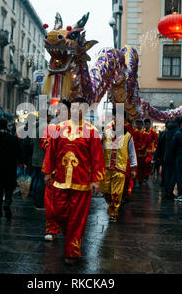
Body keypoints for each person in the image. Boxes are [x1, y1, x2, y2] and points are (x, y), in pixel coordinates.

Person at [42, 97, 105, 265]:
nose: (77, 111)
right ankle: (66, 233)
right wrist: (47, 172)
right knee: (57, 212)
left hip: (81, 183)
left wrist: (96, 180)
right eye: (75, 108)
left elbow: (97, 157)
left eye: (81, 108)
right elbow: (50, 153)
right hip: (60, 180)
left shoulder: (92, 131)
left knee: (77, 219)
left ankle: (72, 251)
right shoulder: (58, 129)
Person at [101, 110, 137, 222]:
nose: (117, 119)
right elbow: (100, 148)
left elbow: (132, 152)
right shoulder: (106, 132)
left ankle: (113, 213)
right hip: (106, 167)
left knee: (117, 192)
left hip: (120, 168)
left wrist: (133, 167)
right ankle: (111, 204)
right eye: (115, 116)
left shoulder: (128, 135)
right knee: (105, 191)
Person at [43, 99, 71, 242]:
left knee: (67, 205)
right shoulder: (51, 127)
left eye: (64, 109)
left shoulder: (76, 128)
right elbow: (44, 144)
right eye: (59, 109)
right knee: (50, 204)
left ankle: (66, 228)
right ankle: (51, 229)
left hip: (70, 174)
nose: (60, 112)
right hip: (53, 171)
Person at [0, 118, 23, 219]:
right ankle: (7, 202)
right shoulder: (12, 139)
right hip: (10, 167)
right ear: (7, 126)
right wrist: (20, 162)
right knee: (9, 187)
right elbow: (19, 152)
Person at [161, 116, 182, 200]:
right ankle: (170, 191)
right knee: (173, 174)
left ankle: (166, 190)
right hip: (175, 155)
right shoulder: (178, 131)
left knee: (167, 173)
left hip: (166, 155)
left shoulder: (166, 131)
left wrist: (160, 155)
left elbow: (161, 144)